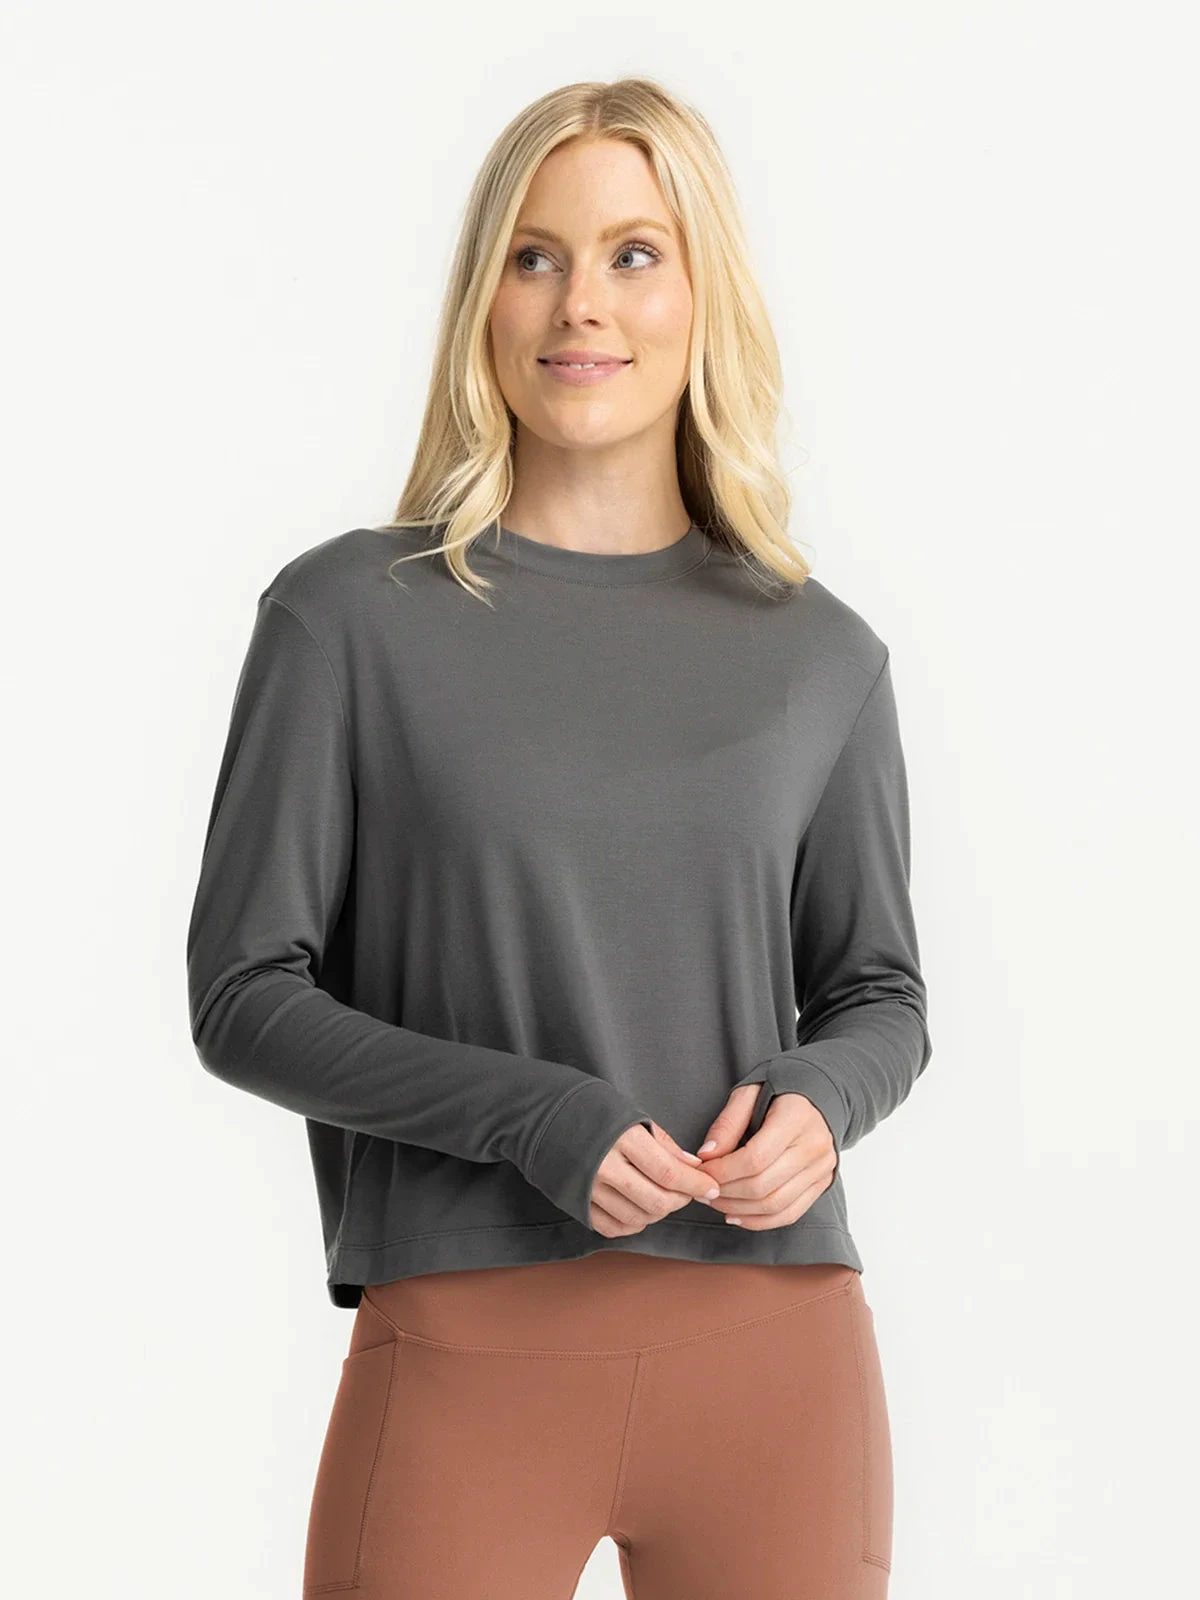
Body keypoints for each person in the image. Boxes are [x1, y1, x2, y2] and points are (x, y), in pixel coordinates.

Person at [186, 76, 932, 1600]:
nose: (580, 302)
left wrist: (820, 1099)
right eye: (535, 256)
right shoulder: (346, 622)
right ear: (485, 295)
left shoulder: (822, 655)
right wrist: (530, 1117)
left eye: (632, 254)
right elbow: (243, 994)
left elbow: (880, 994)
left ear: (702, 293)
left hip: (777, 1361)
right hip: (464, 1353)